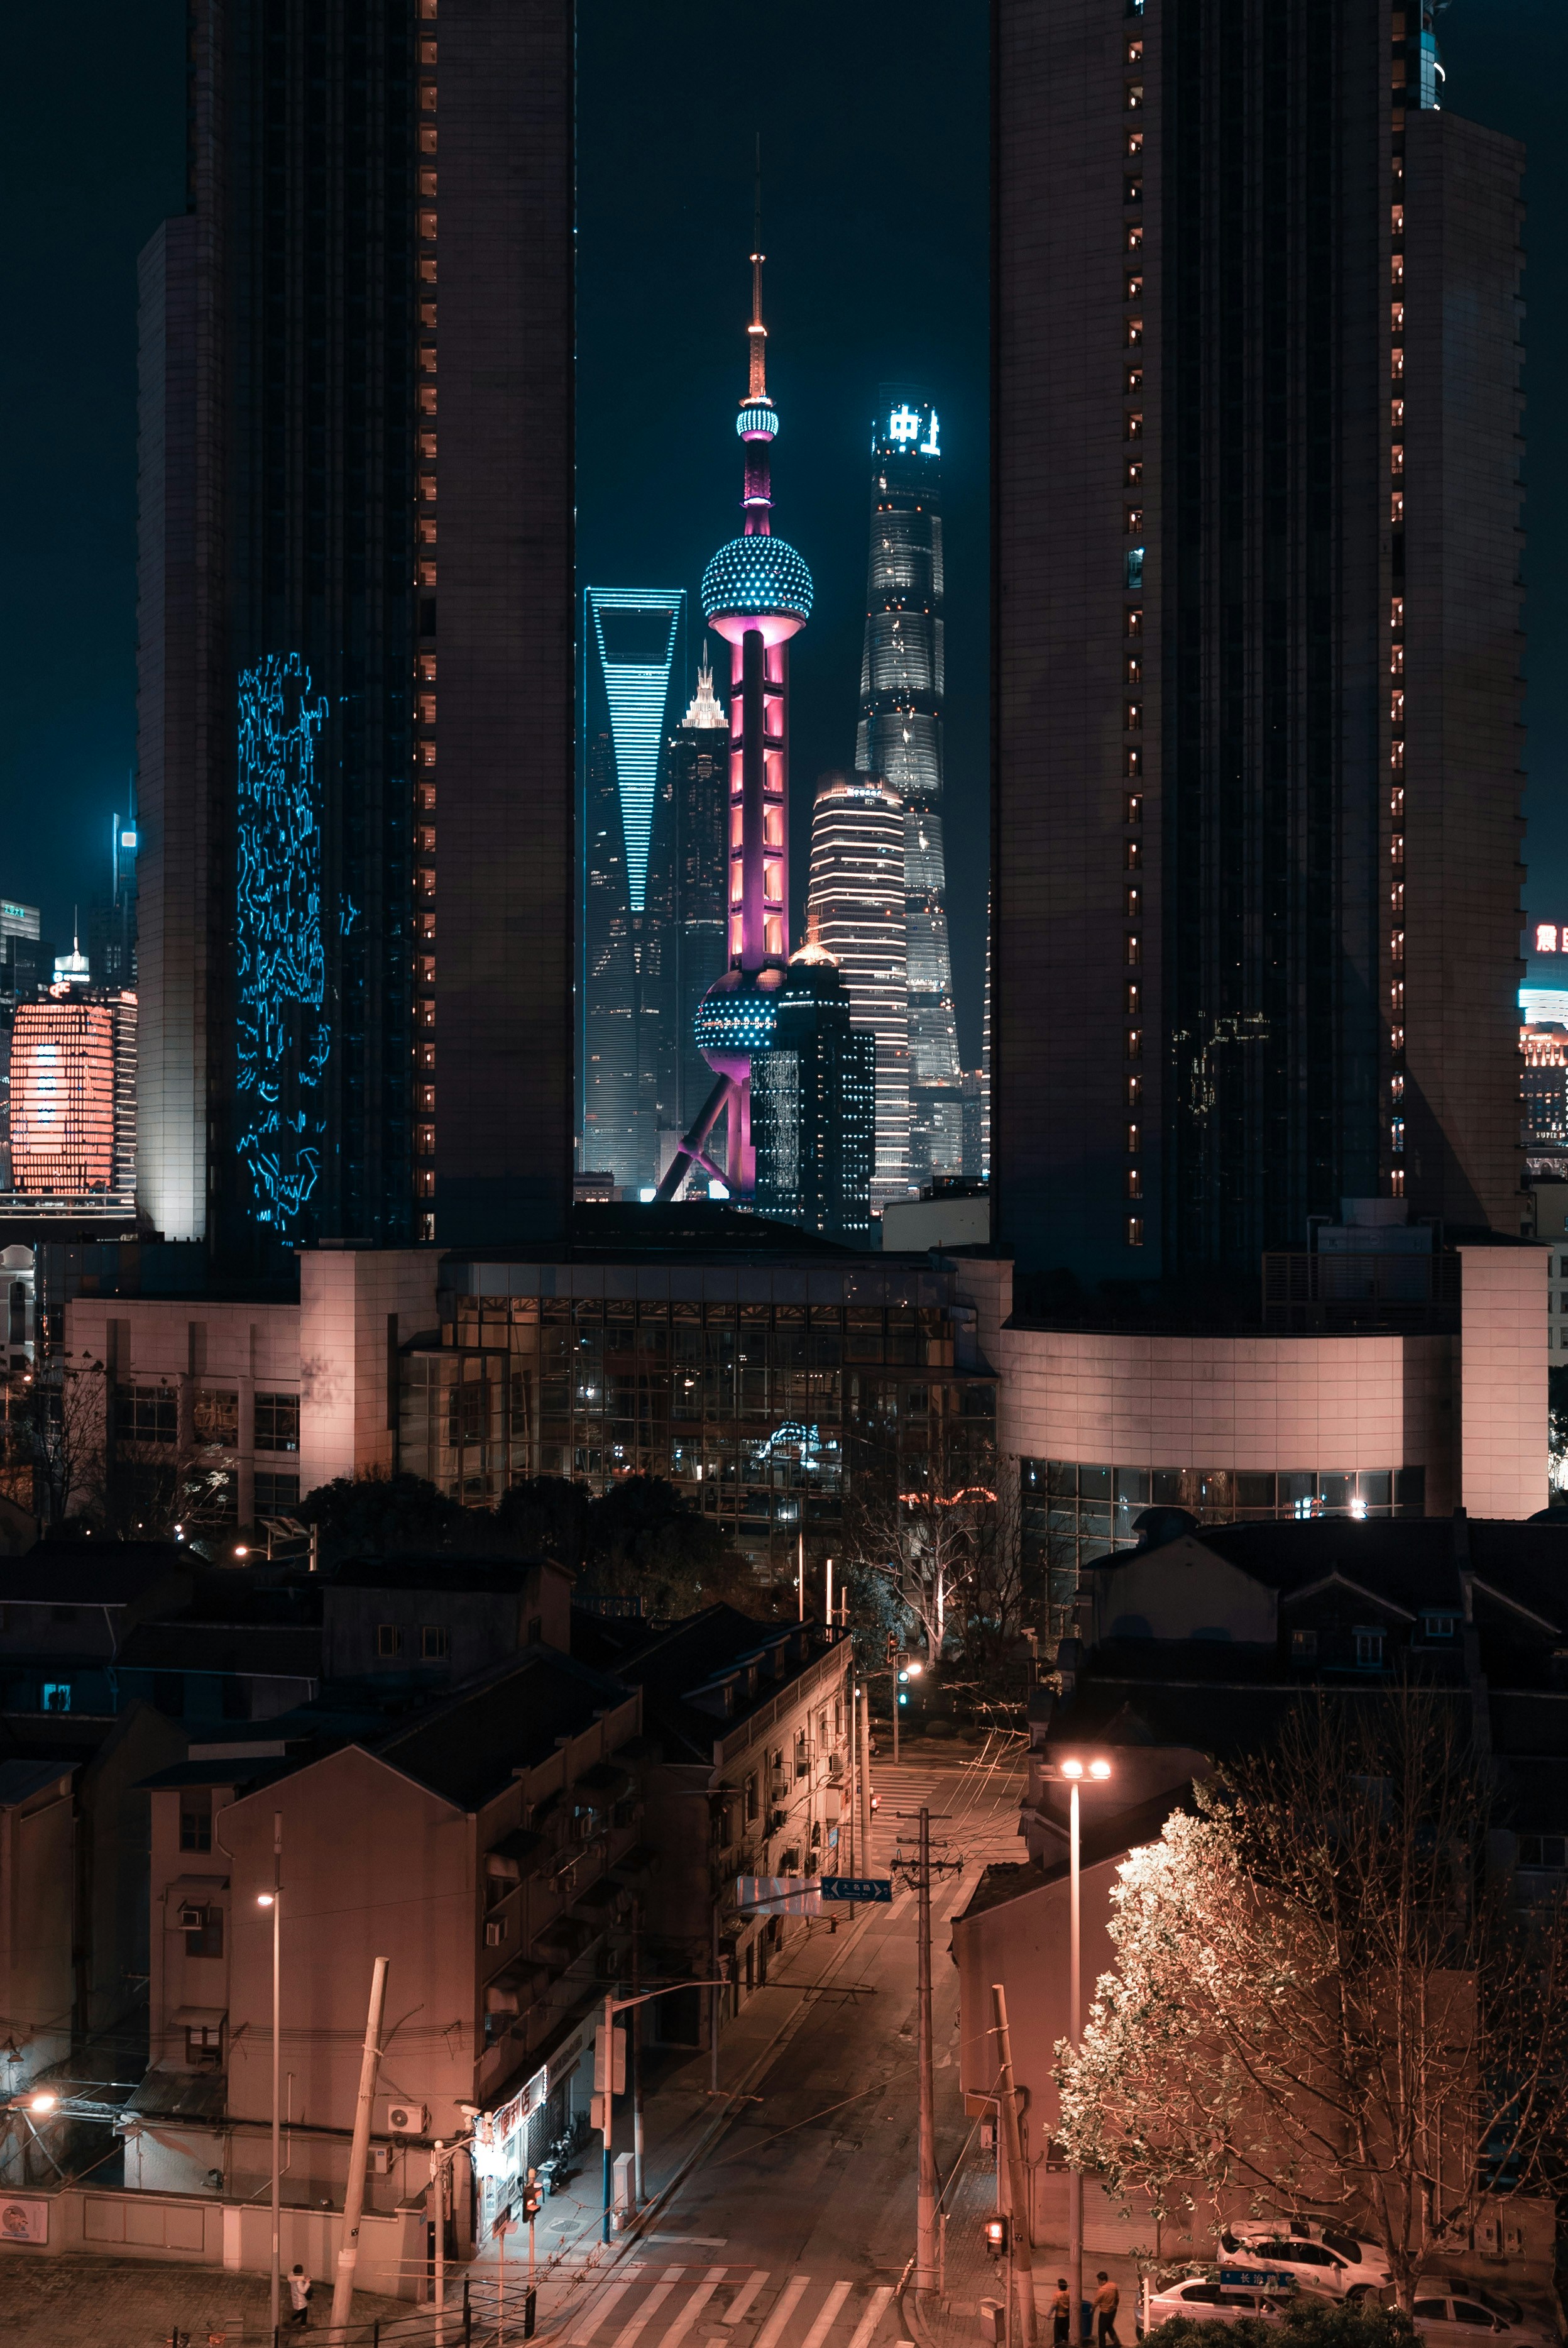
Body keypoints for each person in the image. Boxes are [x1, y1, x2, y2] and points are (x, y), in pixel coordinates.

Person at [1092, 2272, 1120, 2348]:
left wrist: (1092, 2310)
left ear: (1102, 2280)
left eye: (1098, 2281)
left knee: (1101, 2332)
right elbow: (1117, 2298)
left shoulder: (1102, 2290)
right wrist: (1115, 2307)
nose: (1098, 2282)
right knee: (1109, 2326)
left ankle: (1102, 2346)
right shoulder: (1114, 2286)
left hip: (1105, 2313)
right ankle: (1116, 2342)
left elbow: (1096, 2302)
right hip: (1113, 2311)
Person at [288, 2263, 312, 2329]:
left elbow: (291, 2274)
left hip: (296, 2299)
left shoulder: (292, 2278)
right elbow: (303, 2291)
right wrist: (308, 2282)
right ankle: (303, 2326)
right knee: (304, 2312)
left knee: (301, 2312)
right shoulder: (299, 2281)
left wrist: (303, 2278)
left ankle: (292, 2320)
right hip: (300, 2300)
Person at [1051, 2278, 1072, 2345]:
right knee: (1065, 2332)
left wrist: (1049, 2313)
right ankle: (1065, 2345)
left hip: (1059, 2317)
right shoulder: (1069, 2293)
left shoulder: (1057, 2295)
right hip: (1067, 2316)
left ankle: (1057, 2345)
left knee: (1057, 2334)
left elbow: (1054, 2305)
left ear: (1059, 2286)